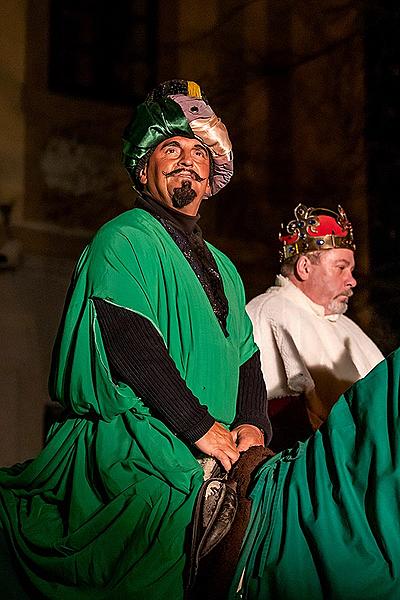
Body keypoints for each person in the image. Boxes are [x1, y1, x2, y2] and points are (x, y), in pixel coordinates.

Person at [0, 80, 271, 599]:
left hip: (210, 444)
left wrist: (252, 425)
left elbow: (247, 358)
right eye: (170, 149)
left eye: (198, 152)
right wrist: (199, 427)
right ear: (143, 168)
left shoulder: (227, 270)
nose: (187, 160)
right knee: (158, 522)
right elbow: (130, 342)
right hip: (132, 443)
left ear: (213, 177)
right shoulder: (122, 237)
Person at [246, 203, 383, 450]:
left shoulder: (348, 327)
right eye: (341, 267)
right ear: (304, 267)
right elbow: (273, 416)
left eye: (351, 270)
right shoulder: (270, 312)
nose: (352, 280)